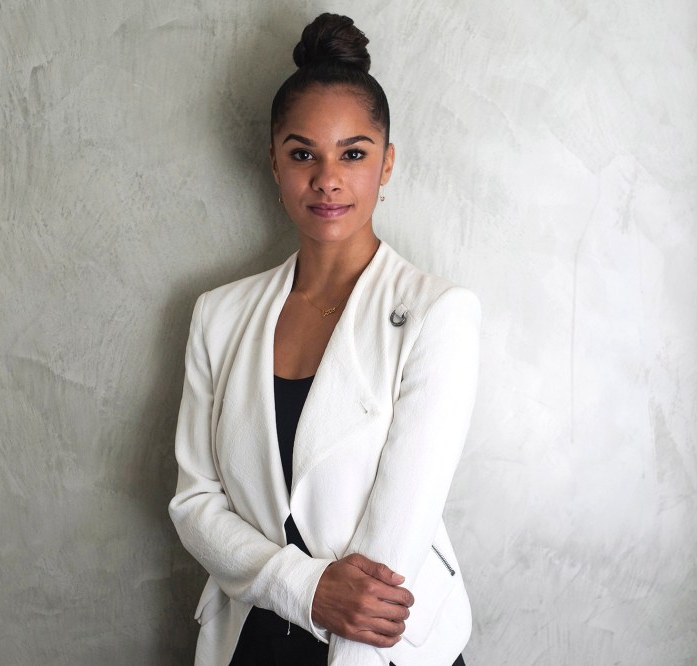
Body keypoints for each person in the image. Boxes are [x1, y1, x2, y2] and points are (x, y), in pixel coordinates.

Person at [168, 13, 479, 666]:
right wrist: (302, 588)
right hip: (251, 636)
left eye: (354, 153)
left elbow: (391, 552)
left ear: (387, 162)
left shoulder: (438, 314)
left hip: (381, 649)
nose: (327, 178)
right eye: (303, 153)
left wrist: (337, 618)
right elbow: (195, 504)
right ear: (274, 162)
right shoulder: (217, 316)